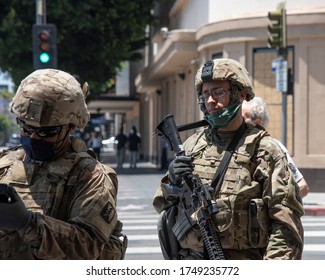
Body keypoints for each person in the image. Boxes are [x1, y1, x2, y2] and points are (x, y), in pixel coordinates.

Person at [153, 58, 304, 260]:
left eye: (218, 92)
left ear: (240, 94)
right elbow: (162, 205)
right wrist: (171, 181)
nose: (210, 101)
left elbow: (286, 227)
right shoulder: (191, 146)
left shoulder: (264, 150)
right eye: (205, 94)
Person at [0, 69, 127, 259]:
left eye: (46, 132)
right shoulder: (5, 164)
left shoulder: (90, 175)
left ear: (70, 127)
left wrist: (27, 224)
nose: (33, 137)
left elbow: (87, 246)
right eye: (26, 128)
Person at [242, 96, 310, 198]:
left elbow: (302, 186)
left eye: (242, 117)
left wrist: (275, 208)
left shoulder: (274, 147)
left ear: (257, 123)